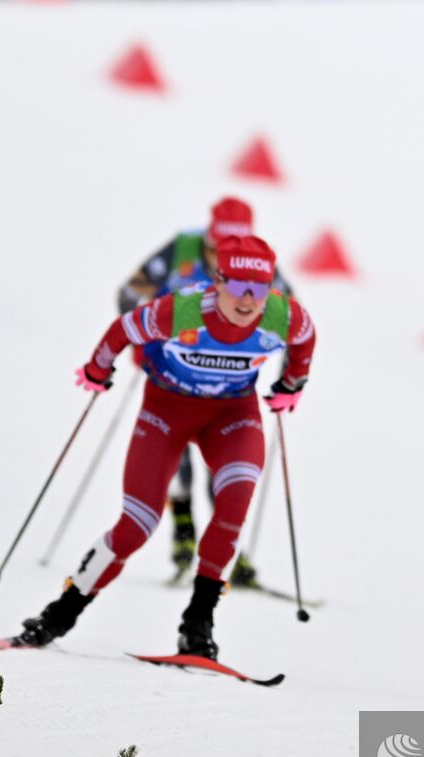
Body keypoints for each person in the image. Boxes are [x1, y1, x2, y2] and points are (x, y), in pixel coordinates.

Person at [5, 234, 315, 658]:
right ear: (217, 281)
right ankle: (57, 617)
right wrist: (98, 369)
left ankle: (198, 624)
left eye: (259, 289)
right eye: (238, 286)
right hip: (166, 413)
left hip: (231, 416)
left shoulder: (283, 316)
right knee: (137, 525)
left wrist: (293, 384)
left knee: (235, 500)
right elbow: (122, 329)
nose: (247, 299)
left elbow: (305, 341)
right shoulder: (182, 309)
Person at [117, 196, 296, 584]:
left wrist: (285, 377)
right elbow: (130, 293)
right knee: (173, 453)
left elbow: (290, 315)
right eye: (215, 247)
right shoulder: (182, 248)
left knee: (229, 471)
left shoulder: (255, 261)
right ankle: (183, 537)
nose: (221, 256)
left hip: (228, 380)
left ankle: (230, 554)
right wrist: (140, 341)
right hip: (174, 371)